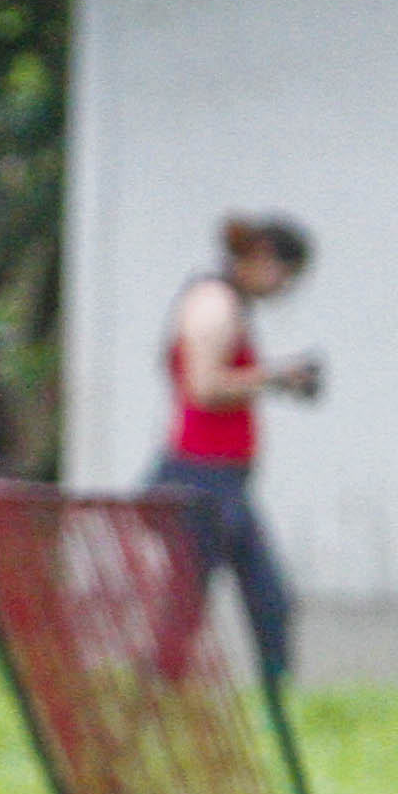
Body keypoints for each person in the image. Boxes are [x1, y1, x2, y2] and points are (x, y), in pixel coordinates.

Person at [152, 212, 319, 682]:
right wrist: (277, 376)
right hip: (201, 476)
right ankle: (163, 688)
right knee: (201, 601)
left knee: (260, 600)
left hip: (220, 478)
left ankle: (272, 692)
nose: (282, 289)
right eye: (285, 275)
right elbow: (202, 387)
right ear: (264, 259)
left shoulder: (225, 303)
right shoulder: (215, 304)